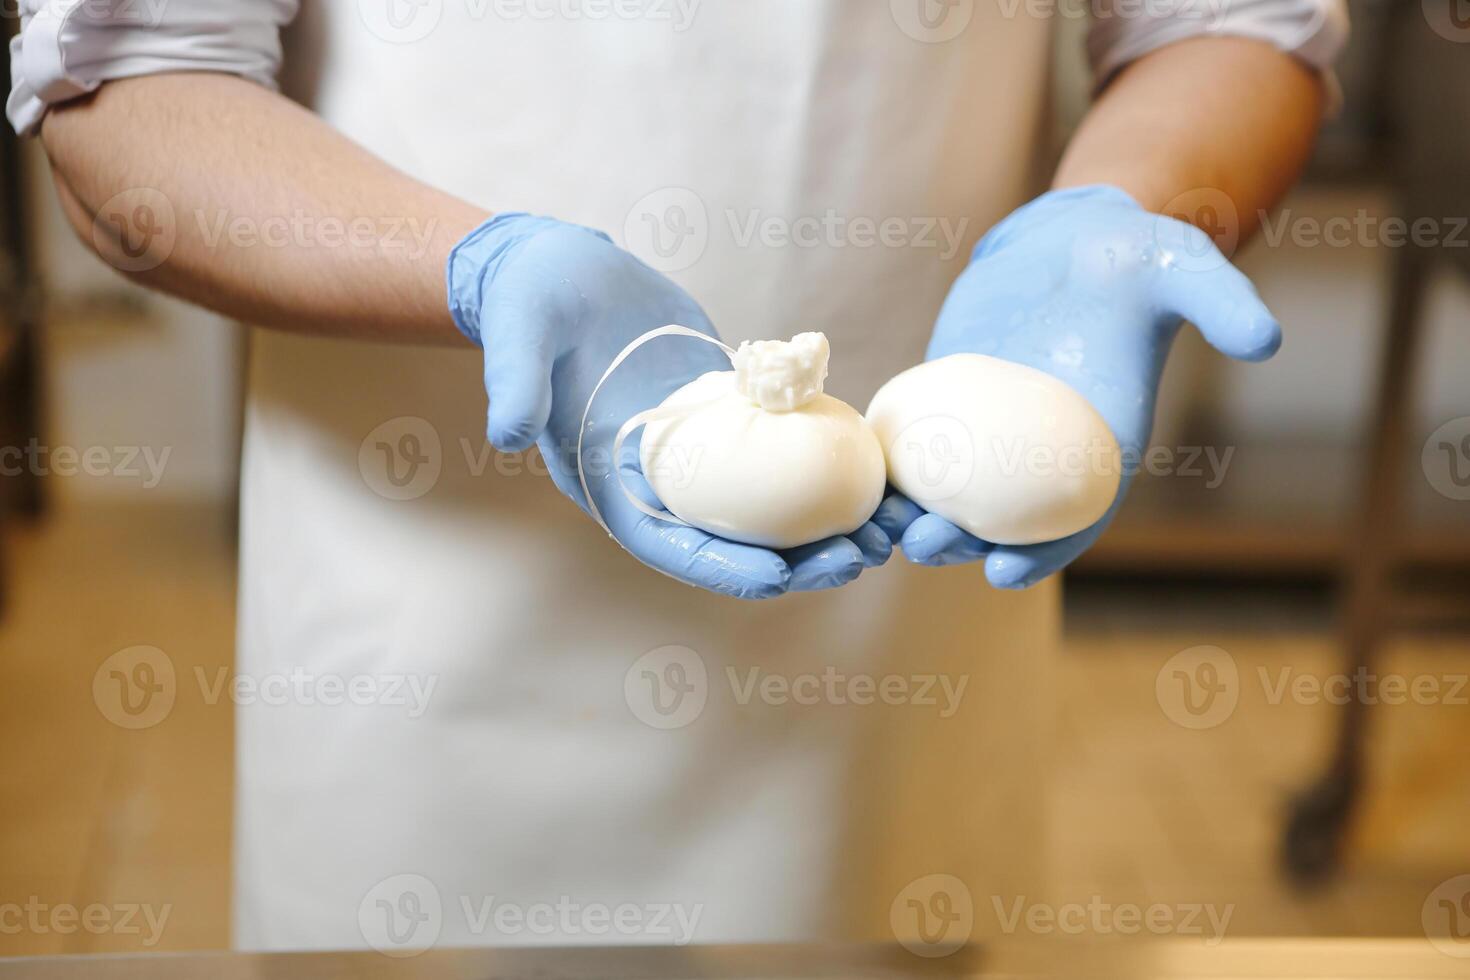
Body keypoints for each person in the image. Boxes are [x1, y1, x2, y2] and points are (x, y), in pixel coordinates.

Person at [9, 0, 1345, 952]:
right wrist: (481, 272)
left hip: (894, 577)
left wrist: (1120, 207)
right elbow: (129, 98)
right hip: (430, 600)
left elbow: (1228, 26)